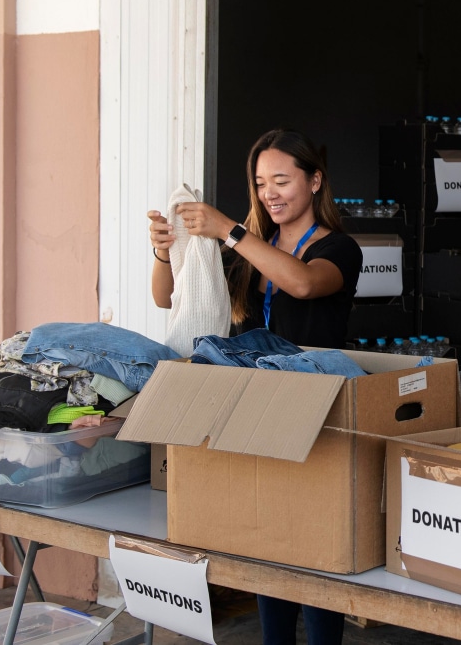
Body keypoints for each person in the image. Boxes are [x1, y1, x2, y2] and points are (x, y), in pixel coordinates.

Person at [148, 127, 362, 645]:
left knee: (313, 543)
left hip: (317, 411)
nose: (270, 193)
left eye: (282, 180)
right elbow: (166, 300)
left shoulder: (339, 247)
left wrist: (231, 231)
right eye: (262, 182)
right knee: (268, 539)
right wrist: (163, 252)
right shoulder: (246, 248)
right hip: (253, 408)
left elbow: (304, 283)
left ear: (314, 181)